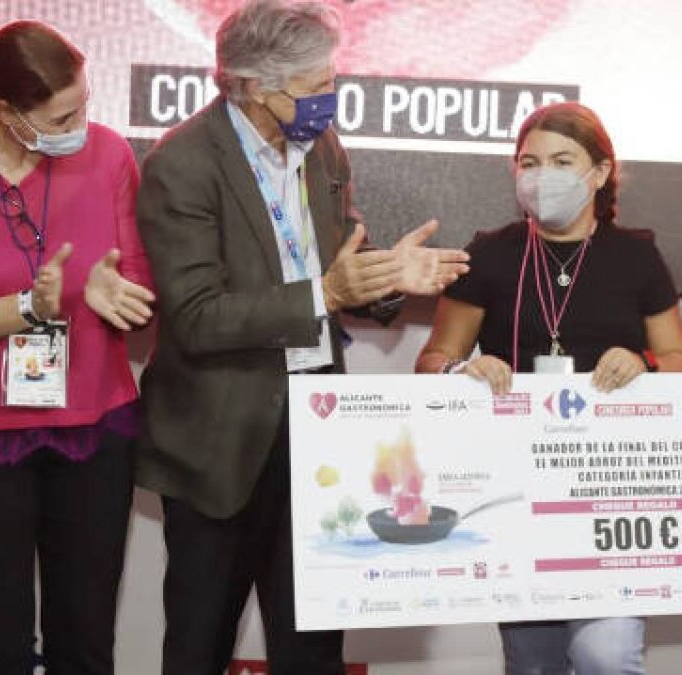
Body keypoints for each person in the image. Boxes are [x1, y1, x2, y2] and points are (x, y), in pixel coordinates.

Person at [133, 1, 469, 674]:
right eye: (316, 88)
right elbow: (197, 317)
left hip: (317, 429)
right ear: (255, 86)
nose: (330, 101)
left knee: (312, 645)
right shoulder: (183, 161)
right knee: (200, 641)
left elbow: (340, 257)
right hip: (220, 438)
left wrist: (389, 279)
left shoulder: (321, 148)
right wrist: (327, 294)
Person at [416, 101, 682, 675]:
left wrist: (645, 363)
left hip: (612, 485)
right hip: (518, 486)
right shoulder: (490, 254)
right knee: (534, 665)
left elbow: (680, 361)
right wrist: (461, 373)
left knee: (607, 655)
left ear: (600, 172)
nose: (543, 175)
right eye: (529, 162)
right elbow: (432, 359)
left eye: (563, 160)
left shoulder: (637, 257)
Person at [0, 20, 155, 675]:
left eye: (85, 105)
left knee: (85, 641)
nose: (81, 124)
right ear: (6, 113)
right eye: (64, 114)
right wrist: (24, 308)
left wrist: (110, 288)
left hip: (96, 428)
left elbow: (139, 277)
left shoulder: (109, 154)